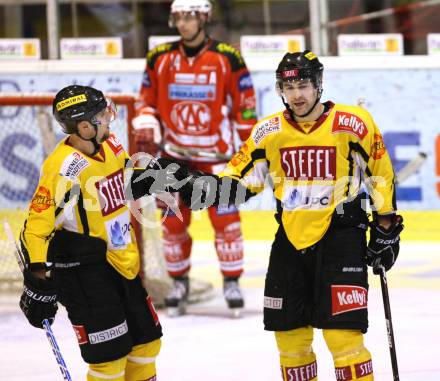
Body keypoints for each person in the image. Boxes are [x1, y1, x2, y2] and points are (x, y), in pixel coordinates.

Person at [160, 50, 404, 380]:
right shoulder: (268, 132)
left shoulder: (353, 123)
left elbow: (381, 174)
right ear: (280, 90)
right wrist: (193, 185)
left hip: (341, 237)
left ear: (318, 84)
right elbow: (241, 181)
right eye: (289, 88)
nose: (297, 95)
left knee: (343, 338)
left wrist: (386, 228)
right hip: (289, 239)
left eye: (303, 85)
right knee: (290, 339)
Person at [19, 85, 163, 381]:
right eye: (102, 115)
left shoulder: (110, 145)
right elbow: (36, 227)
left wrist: (161, 178)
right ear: (84, 126)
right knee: (109, 362)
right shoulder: (64, 169)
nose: (109, 118)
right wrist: (37, 276)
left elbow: (126, 182)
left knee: (147, 345)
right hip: (86, 274)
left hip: (122, 263)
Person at [132, 0, 257, 316]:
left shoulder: (228, 58)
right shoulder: (159, 57)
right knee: (172, 224)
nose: (183, 23)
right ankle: (178, 282)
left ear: (203, 18)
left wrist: (251, 153)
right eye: (178, 17)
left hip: (217, 157)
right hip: (173, 157)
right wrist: (146, 122)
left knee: (227, 224)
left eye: (189, 16)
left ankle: (231, 280)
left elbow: (245, 107)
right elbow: (145, 100)